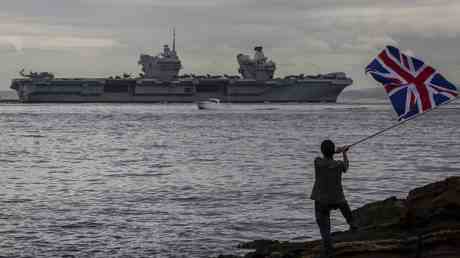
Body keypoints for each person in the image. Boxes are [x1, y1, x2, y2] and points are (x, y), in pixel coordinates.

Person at [310, 139, 357, 258]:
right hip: (337, 200)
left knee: (325, 229)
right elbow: (346, 167)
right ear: (332, 151)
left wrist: (336, 151)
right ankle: (352, 223)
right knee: (344, 204)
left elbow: (326, 156)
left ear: (322, 151)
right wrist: (344, 152)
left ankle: (329, 252)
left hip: (321, 201)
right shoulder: (339, 164)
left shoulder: (317, 162)